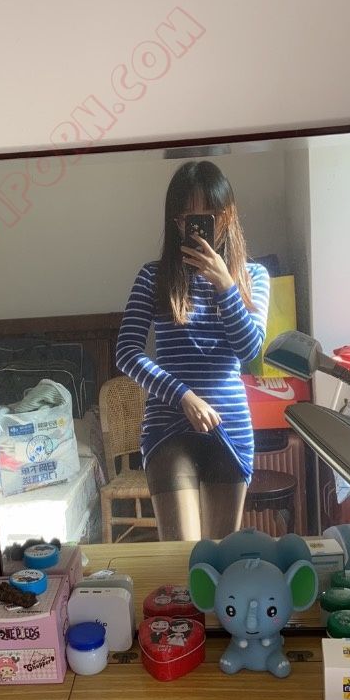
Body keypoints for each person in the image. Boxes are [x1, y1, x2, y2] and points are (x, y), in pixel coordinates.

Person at [116, 160, 270, 541]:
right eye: (188, 217)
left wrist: (226, 287)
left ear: (227, 217)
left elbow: (249, 350)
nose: (199, 226)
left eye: (209, 215)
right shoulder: (153, 277)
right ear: (176, 221)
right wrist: (183, 396)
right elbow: (127, 352)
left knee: (220, 555)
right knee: (181, 557)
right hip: (168, 424)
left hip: (229, 426)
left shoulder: (254, 277)